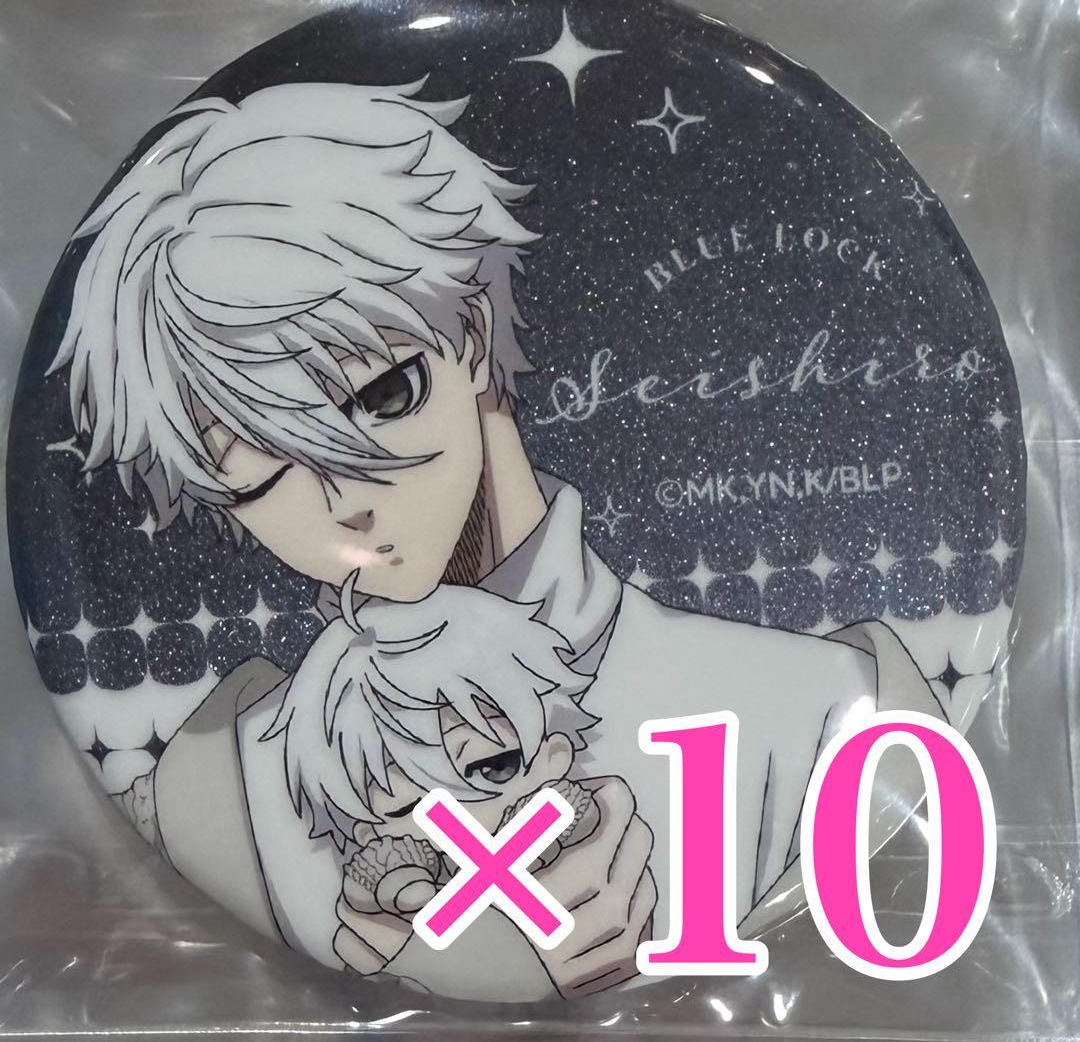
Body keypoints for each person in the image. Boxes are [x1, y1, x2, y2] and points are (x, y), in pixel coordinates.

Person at [62, 77, 947, 1000]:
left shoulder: (830, 713)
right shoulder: (228, 784)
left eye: (382, 397)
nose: (344, 504)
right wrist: (430, 964)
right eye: (257, 477)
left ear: (474, 333)